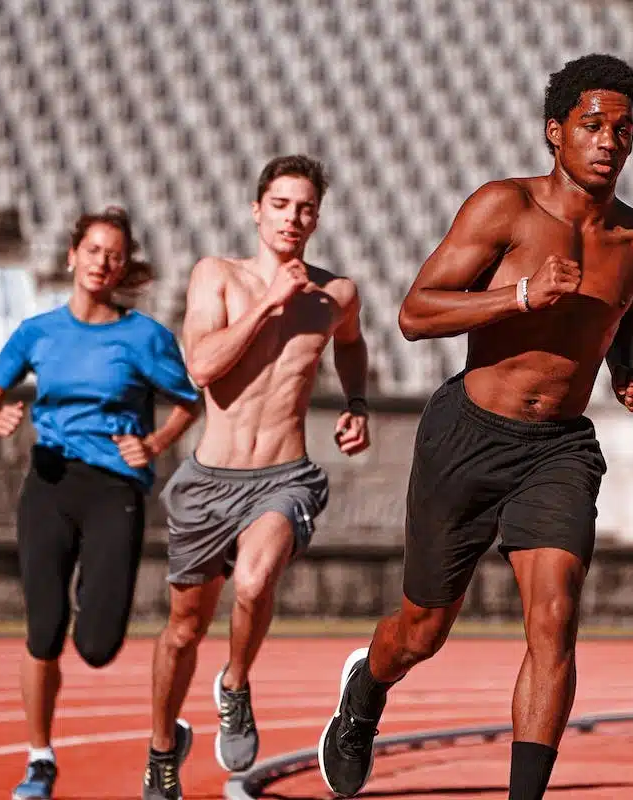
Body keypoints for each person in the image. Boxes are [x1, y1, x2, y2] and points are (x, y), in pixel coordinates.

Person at [317, 53, 633, 799]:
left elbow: (627, 313)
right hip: (469, 433)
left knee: (554, 619)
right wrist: (518, 294)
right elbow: (416, 313)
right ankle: (366, 691)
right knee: (423, 628)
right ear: (555, 132)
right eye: (592, 125)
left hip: (560, 450)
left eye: (624, 128)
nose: (609, 140)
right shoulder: (503, 209)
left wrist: (624, 375)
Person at [141, 154, 371, 799]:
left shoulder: (338, 295)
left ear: (316, 218)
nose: (292, 218)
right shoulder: (217, 276)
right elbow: (201, 368)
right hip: (209, 479)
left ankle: (236, 681)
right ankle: (163, 749)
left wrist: (355, 404)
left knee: (254, 579)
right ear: (257, 209)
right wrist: (269, 305)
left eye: (305, 208)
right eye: (280, 204)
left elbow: (351, 343)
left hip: (284, 476)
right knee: (183, 629)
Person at [0, 206, 203, 800]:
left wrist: (150, 444)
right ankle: (40, 759)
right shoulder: (37, 332)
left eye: (114, 254)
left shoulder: (145, 337)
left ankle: (171, 731)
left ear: (124, 267)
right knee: (43, 631)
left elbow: (188, 401)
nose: (102, 262)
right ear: (72, 255)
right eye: (93, 250)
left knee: (97, 646)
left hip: (112, 491)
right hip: (48, 484)